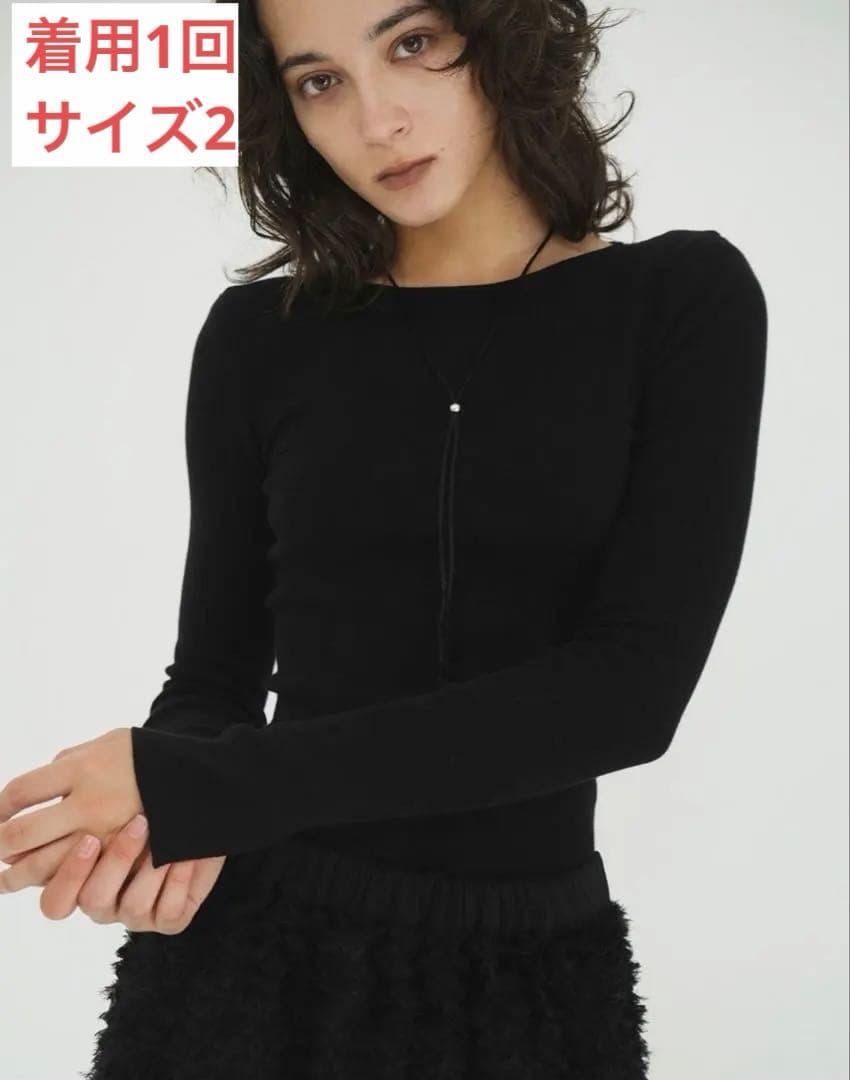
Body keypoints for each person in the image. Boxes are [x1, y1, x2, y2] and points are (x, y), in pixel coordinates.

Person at [0, 1, 767, 1076]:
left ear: (501, 38)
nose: (377, 121)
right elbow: (214, 677)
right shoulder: (259, 338)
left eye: (412, 45)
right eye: (319, 81)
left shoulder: (679, 302)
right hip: (242, 965)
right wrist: (150, 839)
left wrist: (206, 788)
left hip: (532, 985)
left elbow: (626, 694)